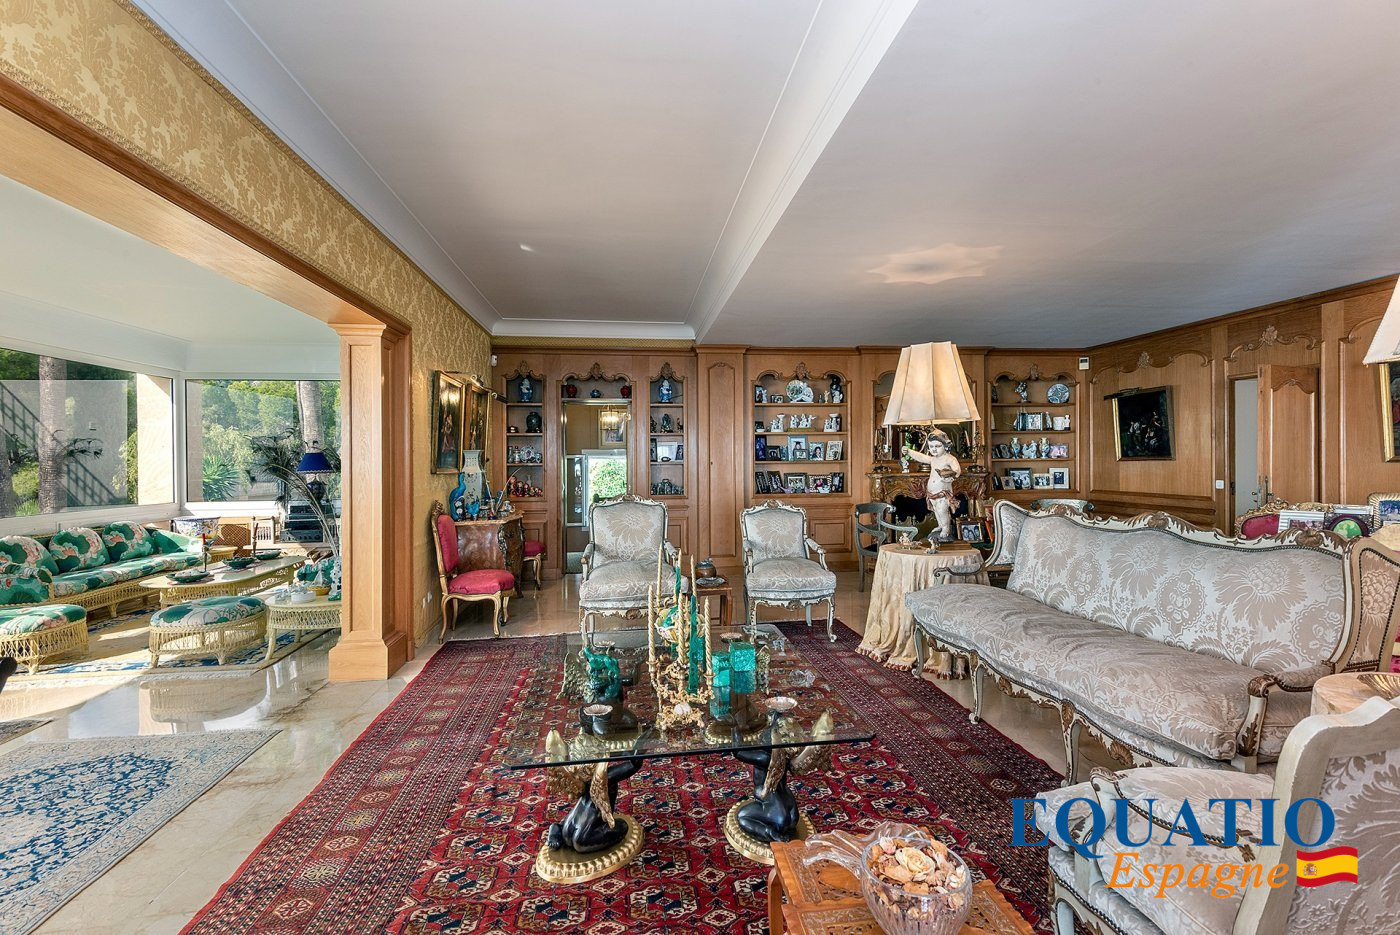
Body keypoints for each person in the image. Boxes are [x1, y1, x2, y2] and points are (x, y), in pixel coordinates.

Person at [905, 428, 960, 541]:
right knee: (936, 510)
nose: (934, 449)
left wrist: (950, 476)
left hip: (943, 492)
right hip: (932, 493)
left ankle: (946, 528)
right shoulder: (933, 459)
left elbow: (957, 471)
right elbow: (921, 457)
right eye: (931, 446)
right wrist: (909, 452)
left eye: (937, 446)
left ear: (945, 445)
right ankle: (941, 525)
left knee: (942, 510)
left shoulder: (950, 459)